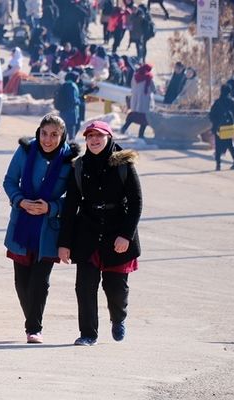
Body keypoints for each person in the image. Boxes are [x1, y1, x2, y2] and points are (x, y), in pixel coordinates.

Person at [58, 121, 142, 346]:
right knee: (84, 287)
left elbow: (136, 202)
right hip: (88, 231)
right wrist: (64, 243)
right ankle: (88, 333)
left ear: (109, 137)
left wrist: (126, 234)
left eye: (99, 136)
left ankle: (118, 318)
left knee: (115, 288)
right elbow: (70, 207)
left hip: (117, 232)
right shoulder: (79, 166)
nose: (94, 140)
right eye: (90, 136)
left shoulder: (123, 164)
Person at [3, 114, 79, 343]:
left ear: (62, 135)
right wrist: (20, 200)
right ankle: (32, 319)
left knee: (40, 281)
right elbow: (9, 181)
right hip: (22, 224)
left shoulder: (71, 160)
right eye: (45, 133)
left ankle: (34, 328)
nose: (48, 139)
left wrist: (51, 207)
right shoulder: (25, 151)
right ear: (39, 132)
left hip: (49, 228)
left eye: (54, 135)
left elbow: (74, 198)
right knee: (22, 281)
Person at [209, 84, 234, 171]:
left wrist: (215, 124)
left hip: (219, 127)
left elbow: (211, 114)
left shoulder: (217, 102)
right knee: (230, 145)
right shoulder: (233, 102)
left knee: (218, 146)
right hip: (229, 127)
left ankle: (218, 165)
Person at [121, 63, 155, 138]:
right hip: (145, 102)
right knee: (145, 119)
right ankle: (141, 134)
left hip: (135, 101)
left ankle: (124, 128)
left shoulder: (135, 76)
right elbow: (153, 88)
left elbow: (132, 86)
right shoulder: (149, 77)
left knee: (133, 116)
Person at [55, 71, 81, 142]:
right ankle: (71, 142)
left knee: (64, 127)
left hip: (64, 110)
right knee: (71, 128)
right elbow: (73, 99)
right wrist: (79, 101)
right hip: (71, 111)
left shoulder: (64, 84)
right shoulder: (72, 85)